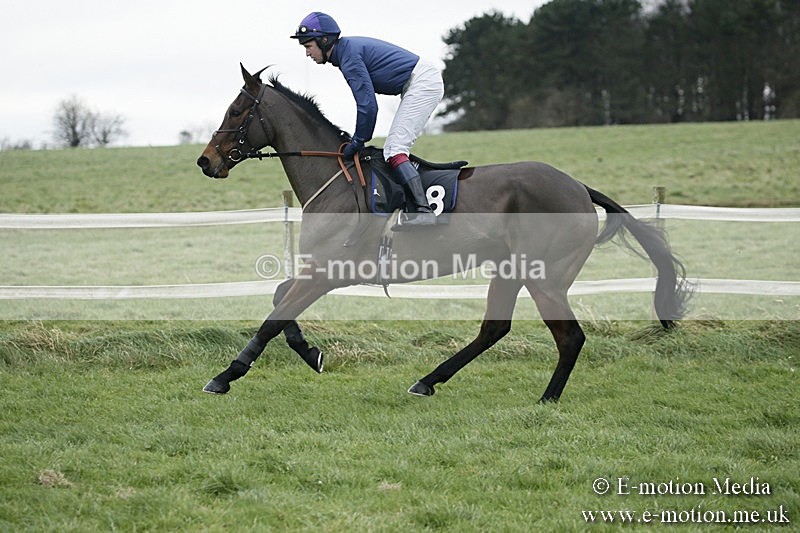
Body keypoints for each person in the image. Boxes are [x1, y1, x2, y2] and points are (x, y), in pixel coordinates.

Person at [290, 12, 444, 229]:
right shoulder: (345, 53)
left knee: (395, 150)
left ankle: (424, 211)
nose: (307, 53)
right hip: (418, 82)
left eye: (308, 46)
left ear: (325, 41)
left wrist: (358, 142)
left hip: (422, 83)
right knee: (395, 149)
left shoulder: (349, 57)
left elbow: (368, 106)